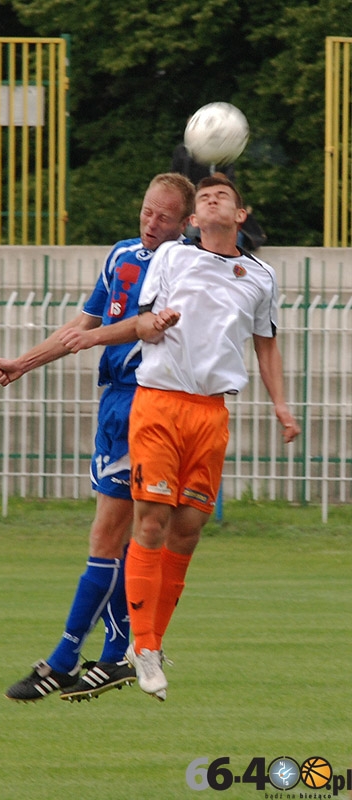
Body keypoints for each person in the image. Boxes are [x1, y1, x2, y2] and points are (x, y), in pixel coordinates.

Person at [0, 172, 196, 703]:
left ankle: (63, 659)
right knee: (121, 538)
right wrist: (24, 362)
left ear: (185, 223)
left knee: (107, 535)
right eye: (147, 210)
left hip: (148, 406)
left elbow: (139, 329)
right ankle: (116, 654)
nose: (152, 223)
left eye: (164, 217)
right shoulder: (122, 256)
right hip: (114, 406)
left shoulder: (189, 269)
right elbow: (79, 327)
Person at [123, 173, 300, 699]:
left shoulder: (260, 276)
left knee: (189, 529)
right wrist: (153, 323)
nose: (212, 199)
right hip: (159, 402)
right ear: (194, 220)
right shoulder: (172, 258)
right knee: (151, 519)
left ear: (240, 216)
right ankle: (146, 645)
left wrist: (281, 404)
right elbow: (142, 318)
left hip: (211, 413)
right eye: (203, 198)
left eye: (223, 195)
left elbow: (266, 344)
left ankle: (150, 642)